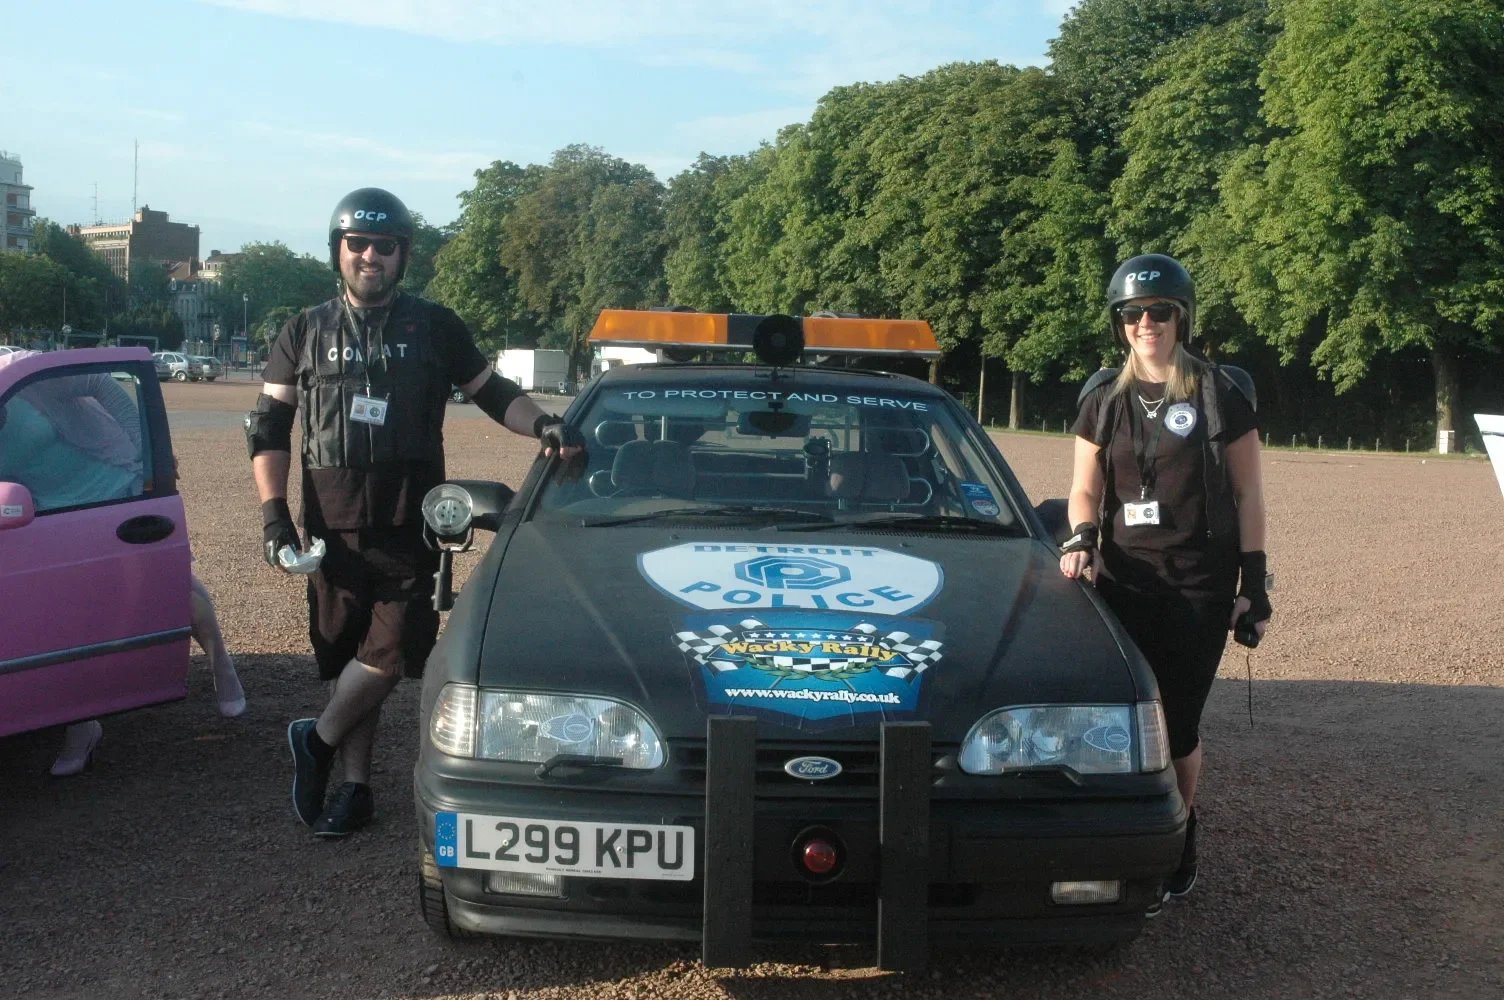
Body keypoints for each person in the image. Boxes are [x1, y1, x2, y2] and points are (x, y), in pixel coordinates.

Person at [247, 187, 584, 838]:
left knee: (394, 651)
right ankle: (353, 789)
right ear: (338, 251)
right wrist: (273, 517)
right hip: (332, 524)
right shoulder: (303, 331)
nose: (370, 255)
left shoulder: (435, 326)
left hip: (414, 520)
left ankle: (313, 743)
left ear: (404, 255)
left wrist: (543, 422)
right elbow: (268, 429)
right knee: (351, 657)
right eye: (358, 244)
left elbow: (494, 394)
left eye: (385, 246)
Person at [1057, 253, 1271, 912]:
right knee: (1117, 719)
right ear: (1119, 324)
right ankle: (1121, 838)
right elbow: (1084, 487)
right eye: (1133, 314)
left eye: (1159, 312)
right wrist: (1081, 537)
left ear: (1181, 318)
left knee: (1175, 722)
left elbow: (1249, 492)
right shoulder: (1103, 398)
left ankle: (1180, 834)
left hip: (1196, 585)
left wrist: (1254, 585)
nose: (1146, 324)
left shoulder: (1218, 392)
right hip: (1124, 581)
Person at [0, 350, 245, 779]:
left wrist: (147, 451)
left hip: (108, 483)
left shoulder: (15, 369)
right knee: (66, 614)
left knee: (161, 590)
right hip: (48, 508)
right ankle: (83, 720)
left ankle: (221, 665)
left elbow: (98, 383)